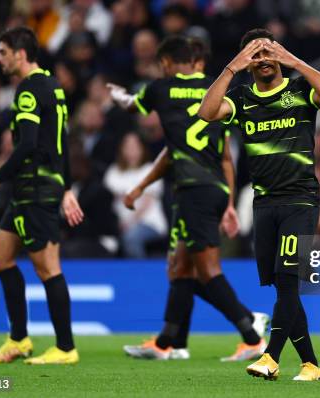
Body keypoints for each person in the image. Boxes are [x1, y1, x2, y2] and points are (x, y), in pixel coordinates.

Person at [108, 35, 268, 361]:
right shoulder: (215, 89)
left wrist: (117, 94)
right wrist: (227, 204)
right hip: (213, 189)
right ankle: (167, 343)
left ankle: (251, 332)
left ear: (165, 63)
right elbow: (225, 156)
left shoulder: (161, 88)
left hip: (192, 190)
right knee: (181, 268)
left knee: (207, 271)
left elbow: (131, 105)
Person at [199, 28, 320, 381]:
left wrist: (292, 59)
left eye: (268, 53)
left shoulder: (299, 90)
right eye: (256, 55)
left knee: (289, 280)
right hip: (264, 204)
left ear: (278, 56)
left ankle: (271, 356)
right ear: (247, 62)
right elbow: (206, 112)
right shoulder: (243, 96)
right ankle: (310, 364)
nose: (263, 61)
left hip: (300, 200)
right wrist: (232, 67)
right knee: (283, 287)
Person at [0, 26, 84, 365]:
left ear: (20, 54)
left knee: (48, 268)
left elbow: (27, 145)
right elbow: (61, 142)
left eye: (3, 52)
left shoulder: (28, 90)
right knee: (0, 255)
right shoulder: (53, 85)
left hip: (35, 187)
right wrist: (66, 187)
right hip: (37, 187)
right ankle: (18, 339)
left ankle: (65, 348)